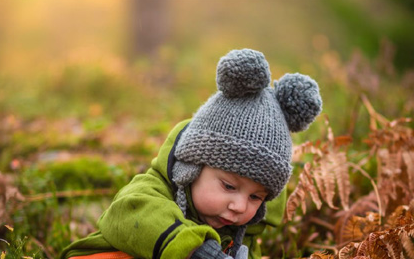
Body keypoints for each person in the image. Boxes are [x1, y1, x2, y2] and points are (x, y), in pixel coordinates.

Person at [60, 48, 322, 259]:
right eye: (229, 186)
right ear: (191, 167)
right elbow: (125, 215)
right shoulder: (151, 191)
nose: (239, 207)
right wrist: (193, 249)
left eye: (255, 197)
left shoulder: (243, 234)